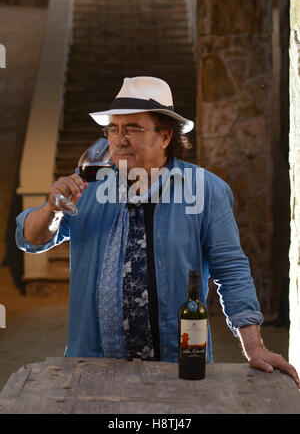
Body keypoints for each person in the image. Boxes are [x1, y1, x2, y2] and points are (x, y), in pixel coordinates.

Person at [16, 76, 300, 387]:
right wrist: (52, 210)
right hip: (93, 366)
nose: (119, 139)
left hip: (178, 366)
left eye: (133, 129)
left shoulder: (206, 190)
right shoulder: (88, 186)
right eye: (113, 129)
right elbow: (31, 239)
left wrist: (254, 347)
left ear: (165, 136)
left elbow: (230, 269)